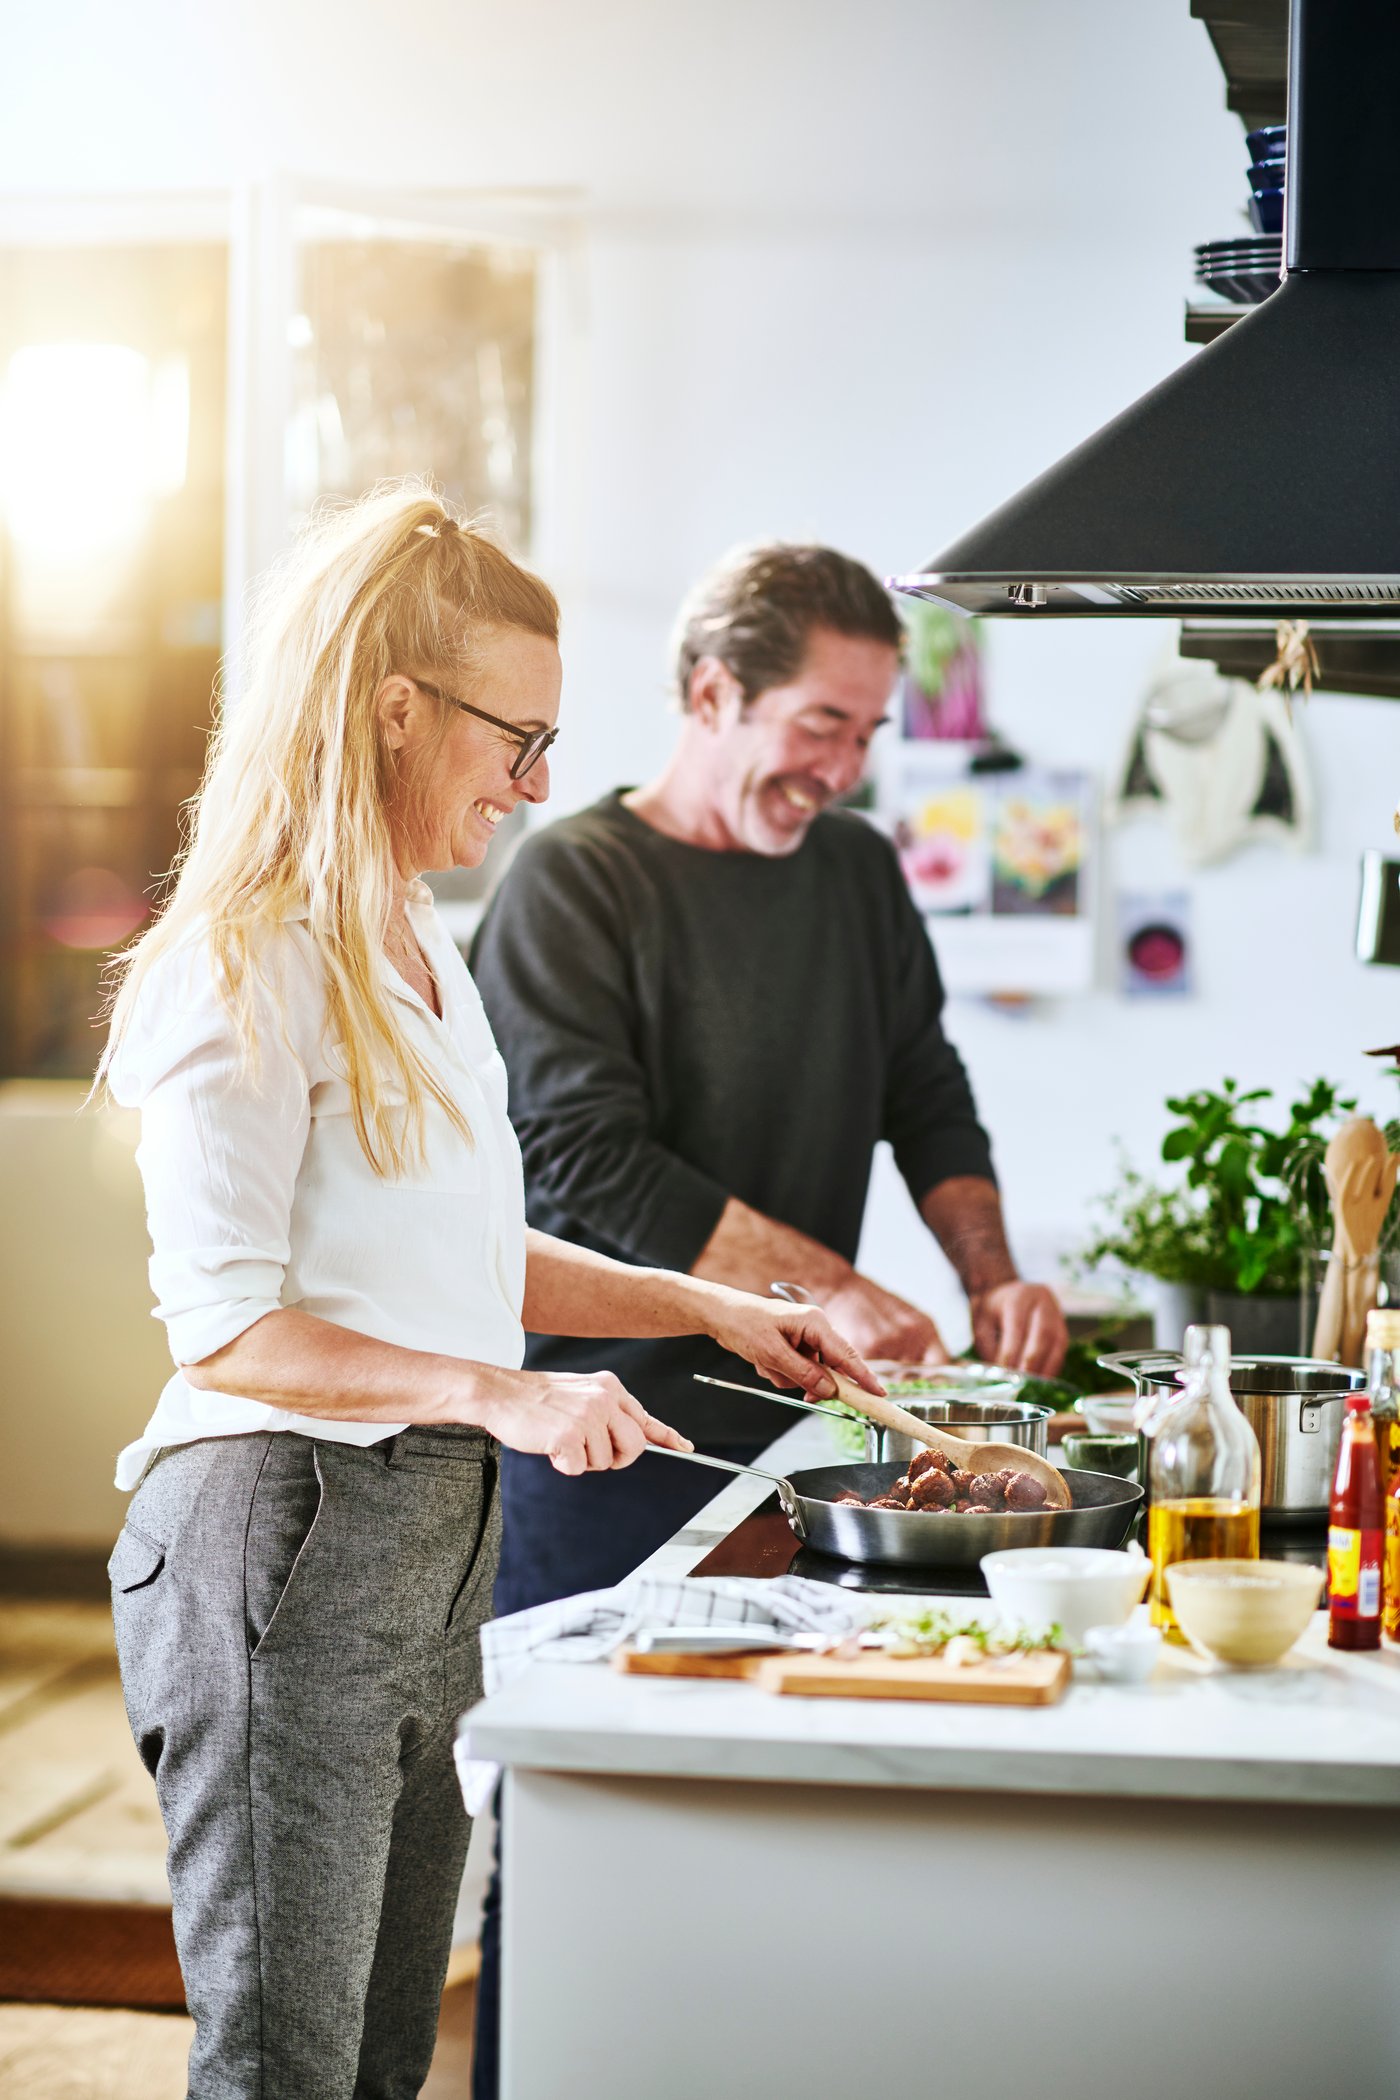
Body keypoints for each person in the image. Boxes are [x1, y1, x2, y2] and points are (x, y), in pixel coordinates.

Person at [97, 491, 879, 2100]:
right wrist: (509, 1393)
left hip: (437, 1537)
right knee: (283, 2067)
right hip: (278, 1533)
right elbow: (231, 1326)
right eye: (514, 738)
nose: (533, 784)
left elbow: (456, 1252)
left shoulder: (417, 944)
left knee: (386, 2063)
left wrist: (702, 1308)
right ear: (394, 708)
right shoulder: (241, 960)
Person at [467, 539, 1069, 2090]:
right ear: (710, 690)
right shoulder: (571, 881)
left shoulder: (860, 874)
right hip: (600, 1456)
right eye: (822, 723)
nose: (846, 766)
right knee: (585, 1835)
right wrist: (839, 1288)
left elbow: (927, 1093)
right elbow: (585, 1160)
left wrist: (989, 1270)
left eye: (869, 733)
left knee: (763, 1825)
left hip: (795, 1446)